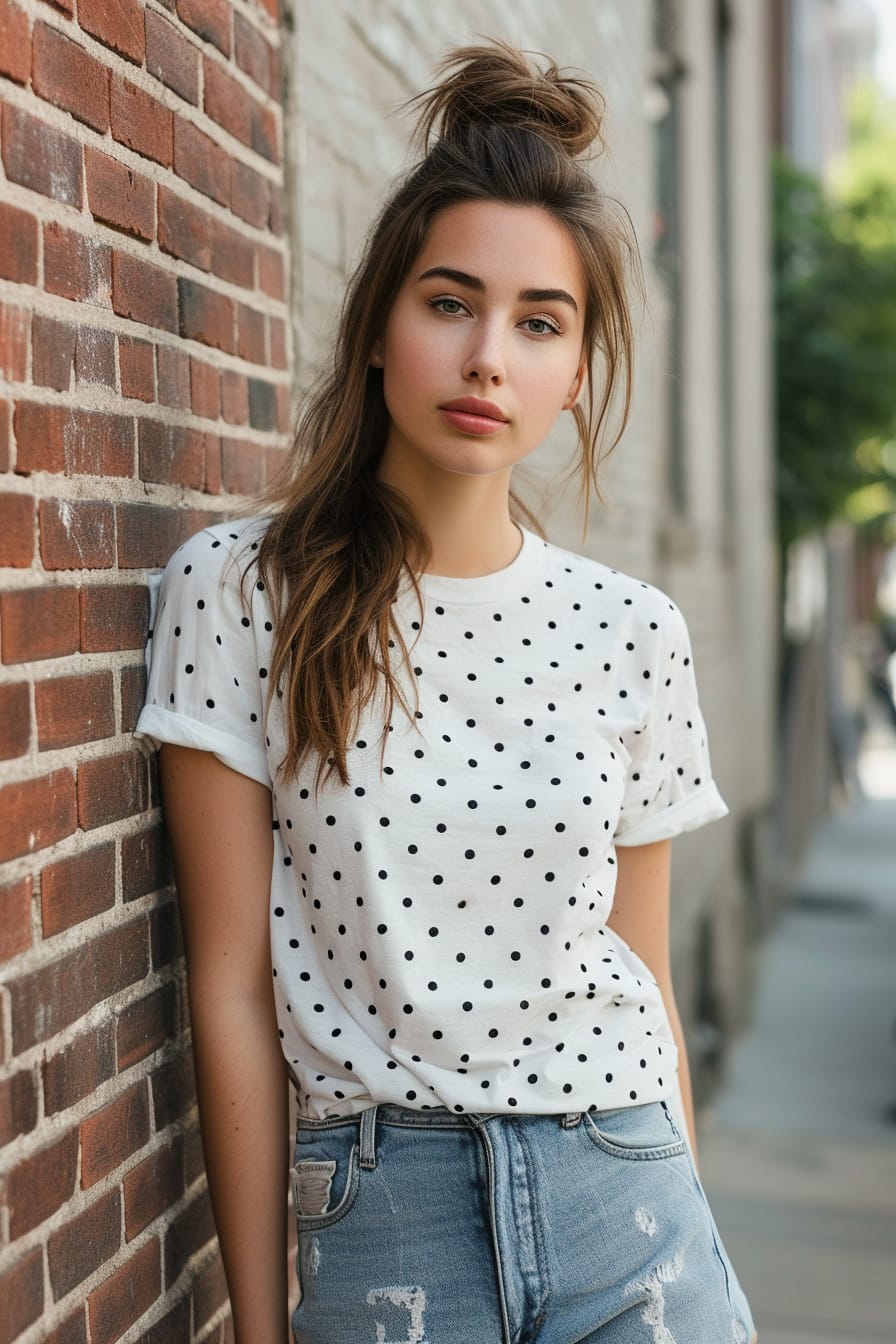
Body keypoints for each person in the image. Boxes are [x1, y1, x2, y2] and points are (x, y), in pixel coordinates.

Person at [136, 40, 757, 1344]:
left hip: (630, 1206)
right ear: (375, 326)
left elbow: (641, 980)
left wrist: (682, 1193)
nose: (490, 356)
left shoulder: (630, 630)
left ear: (576, 372)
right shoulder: (243, 593)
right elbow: (232, 989)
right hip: (387, 1216)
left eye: (540, 322)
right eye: (449, 303)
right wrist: (261, 1327)